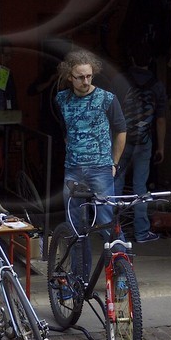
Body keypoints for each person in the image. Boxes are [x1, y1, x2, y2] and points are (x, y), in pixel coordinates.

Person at [54, 49, 127, 245]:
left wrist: (114, 162)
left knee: (107, 223)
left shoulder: (107, 98)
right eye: (80, 77)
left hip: (100, 167)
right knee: (74, 226)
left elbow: (121, 130)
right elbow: (63, 127)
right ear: (70, 77)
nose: (86, 81)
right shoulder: (62, 99)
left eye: (89, 76)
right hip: (73, 169)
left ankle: (120, 270)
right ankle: (79, 274)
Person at [114, 45, 167, 243]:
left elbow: (111, 111)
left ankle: (114, 231)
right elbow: (160, 119)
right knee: (140, 187)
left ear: (133, 60)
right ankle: (141, 232)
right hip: (144, 142)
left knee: (116, 183)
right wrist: (161, 146)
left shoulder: (120, 81)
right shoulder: (157, 85)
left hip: (122, 139)